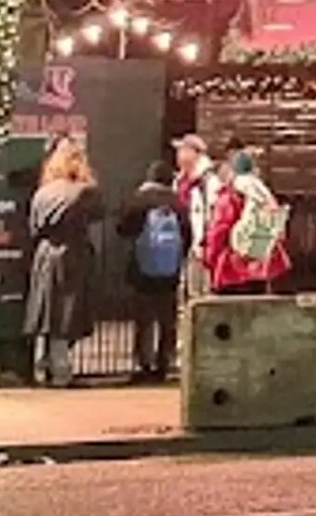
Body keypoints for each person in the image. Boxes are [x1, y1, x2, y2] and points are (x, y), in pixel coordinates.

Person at [24, 137, 102, 385]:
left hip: (45, 253)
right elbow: (99, 214)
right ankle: (61, 370)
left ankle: (40, 366)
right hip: (74, 254)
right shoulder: (85, 192)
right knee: (66, 316)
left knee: (47, 313)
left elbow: (34, 228)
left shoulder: (42, 193)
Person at [119, 154, 192, 381]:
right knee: (167, 318)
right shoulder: (178, 202)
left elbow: (122, 228)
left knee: (144, 318)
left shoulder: (139, 199)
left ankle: (144, 363)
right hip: (169, 271)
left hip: (142, 269)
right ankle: (164, 362)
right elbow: (188, 235)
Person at [206, 146, 290, 293]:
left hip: (231, 270)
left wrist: (211, 261)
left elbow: (218, 233)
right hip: (260, 271)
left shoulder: (229, 197)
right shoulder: (265, 196)